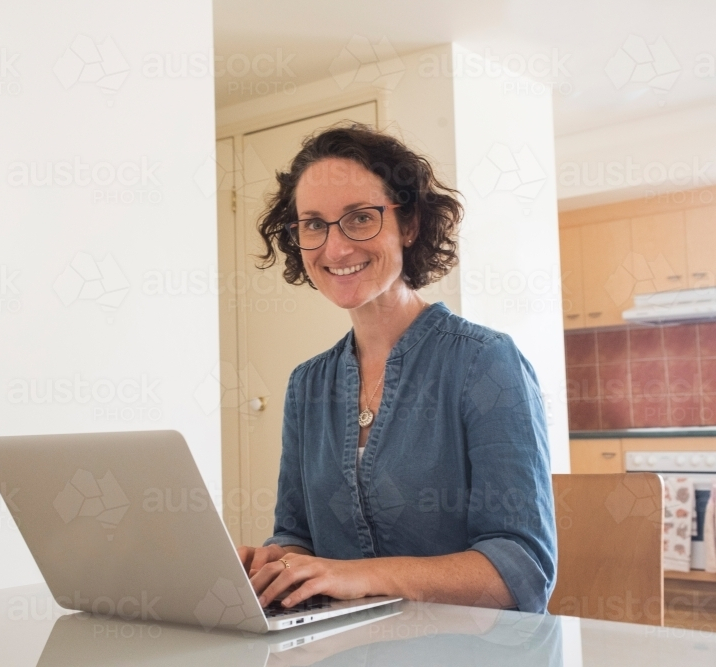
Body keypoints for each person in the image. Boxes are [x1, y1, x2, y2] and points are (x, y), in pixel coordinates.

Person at [236, 123, 556, 614]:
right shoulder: (308, 384)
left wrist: (356, 575)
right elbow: (297, 535)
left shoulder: (485, 362)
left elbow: (522, 571)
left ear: (409, 225)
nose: (336, 248)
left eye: (360, 217)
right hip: (344, 650)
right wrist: (277, 565)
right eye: (314, 223)